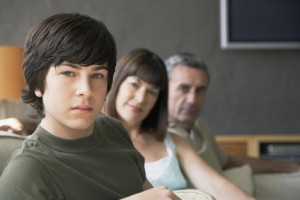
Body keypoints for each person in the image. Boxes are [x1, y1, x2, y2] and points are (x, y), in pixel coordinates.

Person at [0, 13, 180, 200]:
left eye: (97, 75)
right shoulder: (25, 172)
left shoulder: (114, 130)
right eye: (68, 73)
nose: (86, 90)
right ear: (37, 83)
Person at [104, 48, 255, 200]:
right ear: (117, 82)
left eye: (152, 92)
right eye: (135, 85)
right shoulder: (92, 137)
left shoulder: (174, 141)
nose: (141, 98)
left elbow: (217, 186)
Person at [165, 52, 300, 200]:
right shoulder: (162, 137)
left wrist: (290, 167)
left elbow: (228, 162)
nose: (192, 99)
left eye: (200, 90)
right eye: (184, 88)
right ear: (164, 89)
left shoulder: (199, 126)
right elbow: (215, 185)